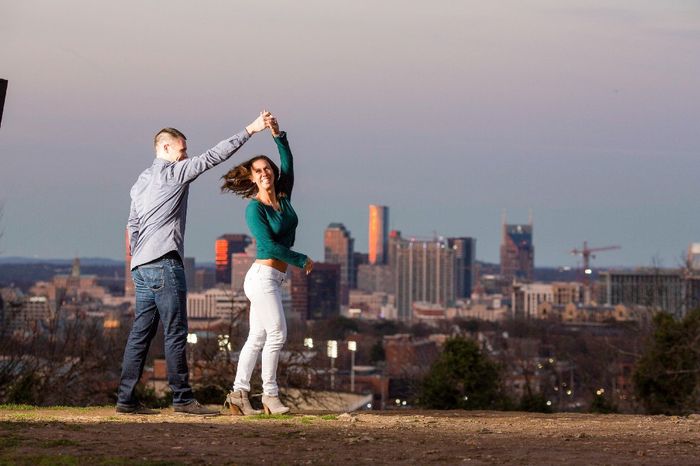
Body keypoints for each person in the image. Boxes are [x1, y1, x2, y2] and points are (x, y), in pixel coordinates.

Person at [116, 112, 272, 415]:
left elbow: (131, 226)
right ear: (165, 149)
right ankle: (183, 399)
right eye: (182, 150)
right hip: (164, 264)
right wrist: (250, 130)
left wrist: (137, 257)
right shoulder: (175, 173)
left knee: (140, 334)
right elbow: (214, 156)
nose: (186, 155)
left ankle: (125, 399)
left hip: (141, 267)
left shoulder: (141, 181)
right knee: (176, 331)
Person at [220, 115, 313, 415]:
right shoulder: (254, 209)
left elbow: (288, 162)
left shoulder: (284, 197)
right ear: (251, 177)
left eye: (267, 169)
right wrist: (301, 259)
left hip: (273, 279)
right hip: (261, 277)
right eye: (258, 171)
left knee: (258, 337)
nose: (264, 173)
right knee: (277, 334)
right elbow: (270, 246)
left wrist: (276, 134)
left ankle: (238, 394)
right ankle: (270, 396)